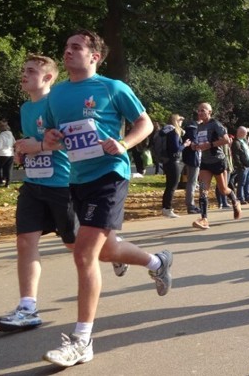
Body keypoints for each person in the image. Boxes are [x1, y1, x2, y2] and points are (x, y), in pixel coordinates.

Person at [41, 29, 172, 367]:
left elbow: (145, 123)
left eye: (76, 47)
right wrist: (51, 137)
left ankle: (82, 341)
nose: (68, 51)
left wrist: (124, 144)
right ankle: (157, 263)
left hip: (110, 175)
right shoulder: (57, 94)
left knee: (84, 253)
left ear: (94, 56)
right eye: (66, 47)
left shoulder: (112, 88)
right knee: (104, 250)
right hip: (77, 178)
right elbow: (53, 134)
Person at [0, 54, 129, 333]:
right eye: (23, 70)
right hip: (34, 183)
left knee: (76, 245)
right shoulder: (25, 108)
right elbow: (34, 141)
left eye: (31, 71)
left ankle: (113, 251)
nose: (24, 75)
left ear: (48, 78)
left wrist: (40, 146)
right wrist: (23, 152)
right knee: (25, 241)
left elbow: (69, 140)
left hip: (62, 183)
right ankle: (27, 307)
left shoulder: (58, 101)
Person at [190, 102, 241, 230]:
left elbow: (226, 140)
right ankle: (204, 219)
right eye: (199, 110)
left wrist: (210, 145)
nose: (200, 112)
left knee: (223, 190)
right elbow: (199, 141)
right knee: (203, 191)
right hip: (205, 163)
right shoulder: (199, 126)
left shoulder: (215, 124)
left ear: (210, 112)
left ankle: (235, 200)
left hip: (218, 161)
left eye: (203, 110)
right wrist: (195, 146)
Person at [160, 114, 190, 218]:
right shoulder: (174, 132)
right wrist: (185, 145)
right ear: (176, 121)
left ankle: (166, 208)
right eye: (180, 120)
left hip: (167, 161)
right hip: (174, 162)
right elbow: (176, 149)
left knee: (169, 186)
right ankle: (167, 208)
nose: (182, 122)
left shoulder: (166, 131)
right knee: (172, 186)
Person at [231, 126, 249, 204]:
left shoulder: (244, 141)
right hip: (243, 166)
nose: (246, 135)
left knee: (248, 182)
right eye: (245, 133)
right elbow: (236, 155)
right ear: (240, 133)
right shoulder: (236, 142)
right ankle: (240, 198)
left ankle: (248, 196)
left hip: (248, 165)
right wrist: (240, 165)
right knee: (241, 183)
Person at [181, 119, 201, 214]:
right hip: (193, 159)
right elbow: (194, 145)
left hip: (191, 158)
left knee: (192, 182)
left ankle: (191, 205)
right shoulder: (193, 129)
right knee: (192, 182)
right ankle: (190, 205)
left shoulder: (188, 129)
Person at [0, 119, 16, 187]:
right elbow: (14, 143)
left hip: (2, 154)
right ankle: (7, 183)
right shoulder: (11, 135)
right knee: (8, 169)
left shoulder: (1, 135)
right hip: (10, 153)